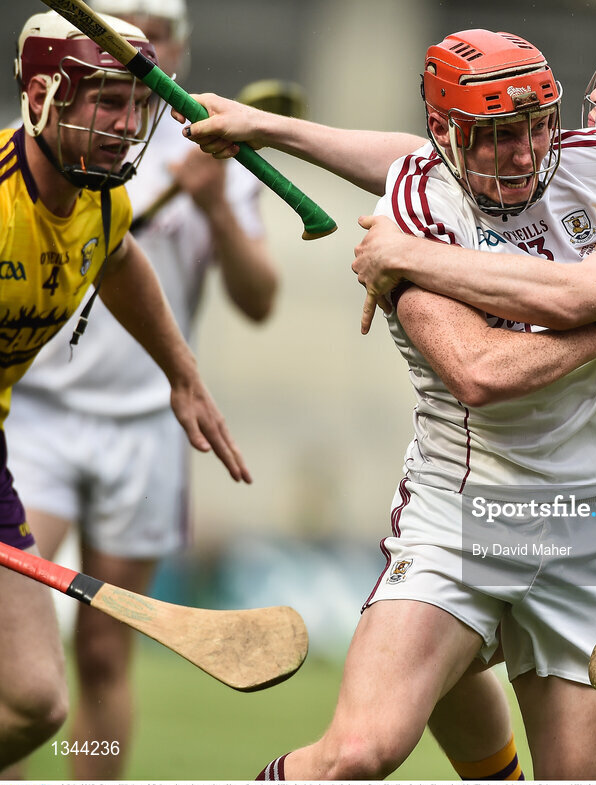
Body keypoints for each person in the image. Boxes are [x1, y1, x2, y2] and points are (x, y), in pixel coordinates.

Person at [182, 24, 596, 781]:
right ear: (449, 136)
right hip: (464, 523)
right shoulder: (417, 209)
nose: (525, 152)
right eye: (496, 136)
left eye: (533, 127)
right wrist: (272, 129)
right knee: (358, 752)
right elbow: (479, 369)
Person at [3, 1, 277, 778]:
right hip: (38, 424)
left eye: (136, 105)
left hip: (127, 435)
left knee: (44, 695)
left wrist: (182, 376)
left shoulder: (100, 193)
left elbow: (118, 258)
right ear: (45, 97)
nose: (127, 125)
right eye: (108, 102)